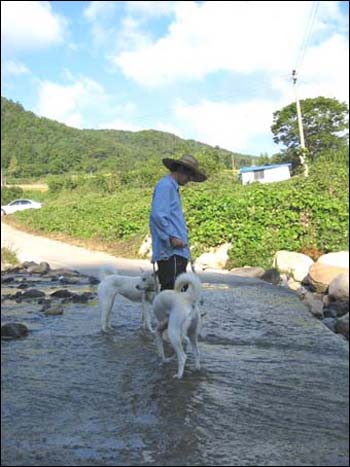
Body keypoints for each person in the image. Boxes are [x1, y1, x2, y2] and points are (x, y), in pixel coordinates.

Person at [150, 154, 207, 291]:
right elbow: (158, 215)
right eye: (189, 176)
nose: (189, 180)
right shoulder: (166, 186)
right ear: (181, 170)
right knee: (173, 291)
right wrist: (172, 237)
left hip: (176, 251)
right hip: (171, 251)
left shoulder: (171, 187)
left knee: (179, 289)